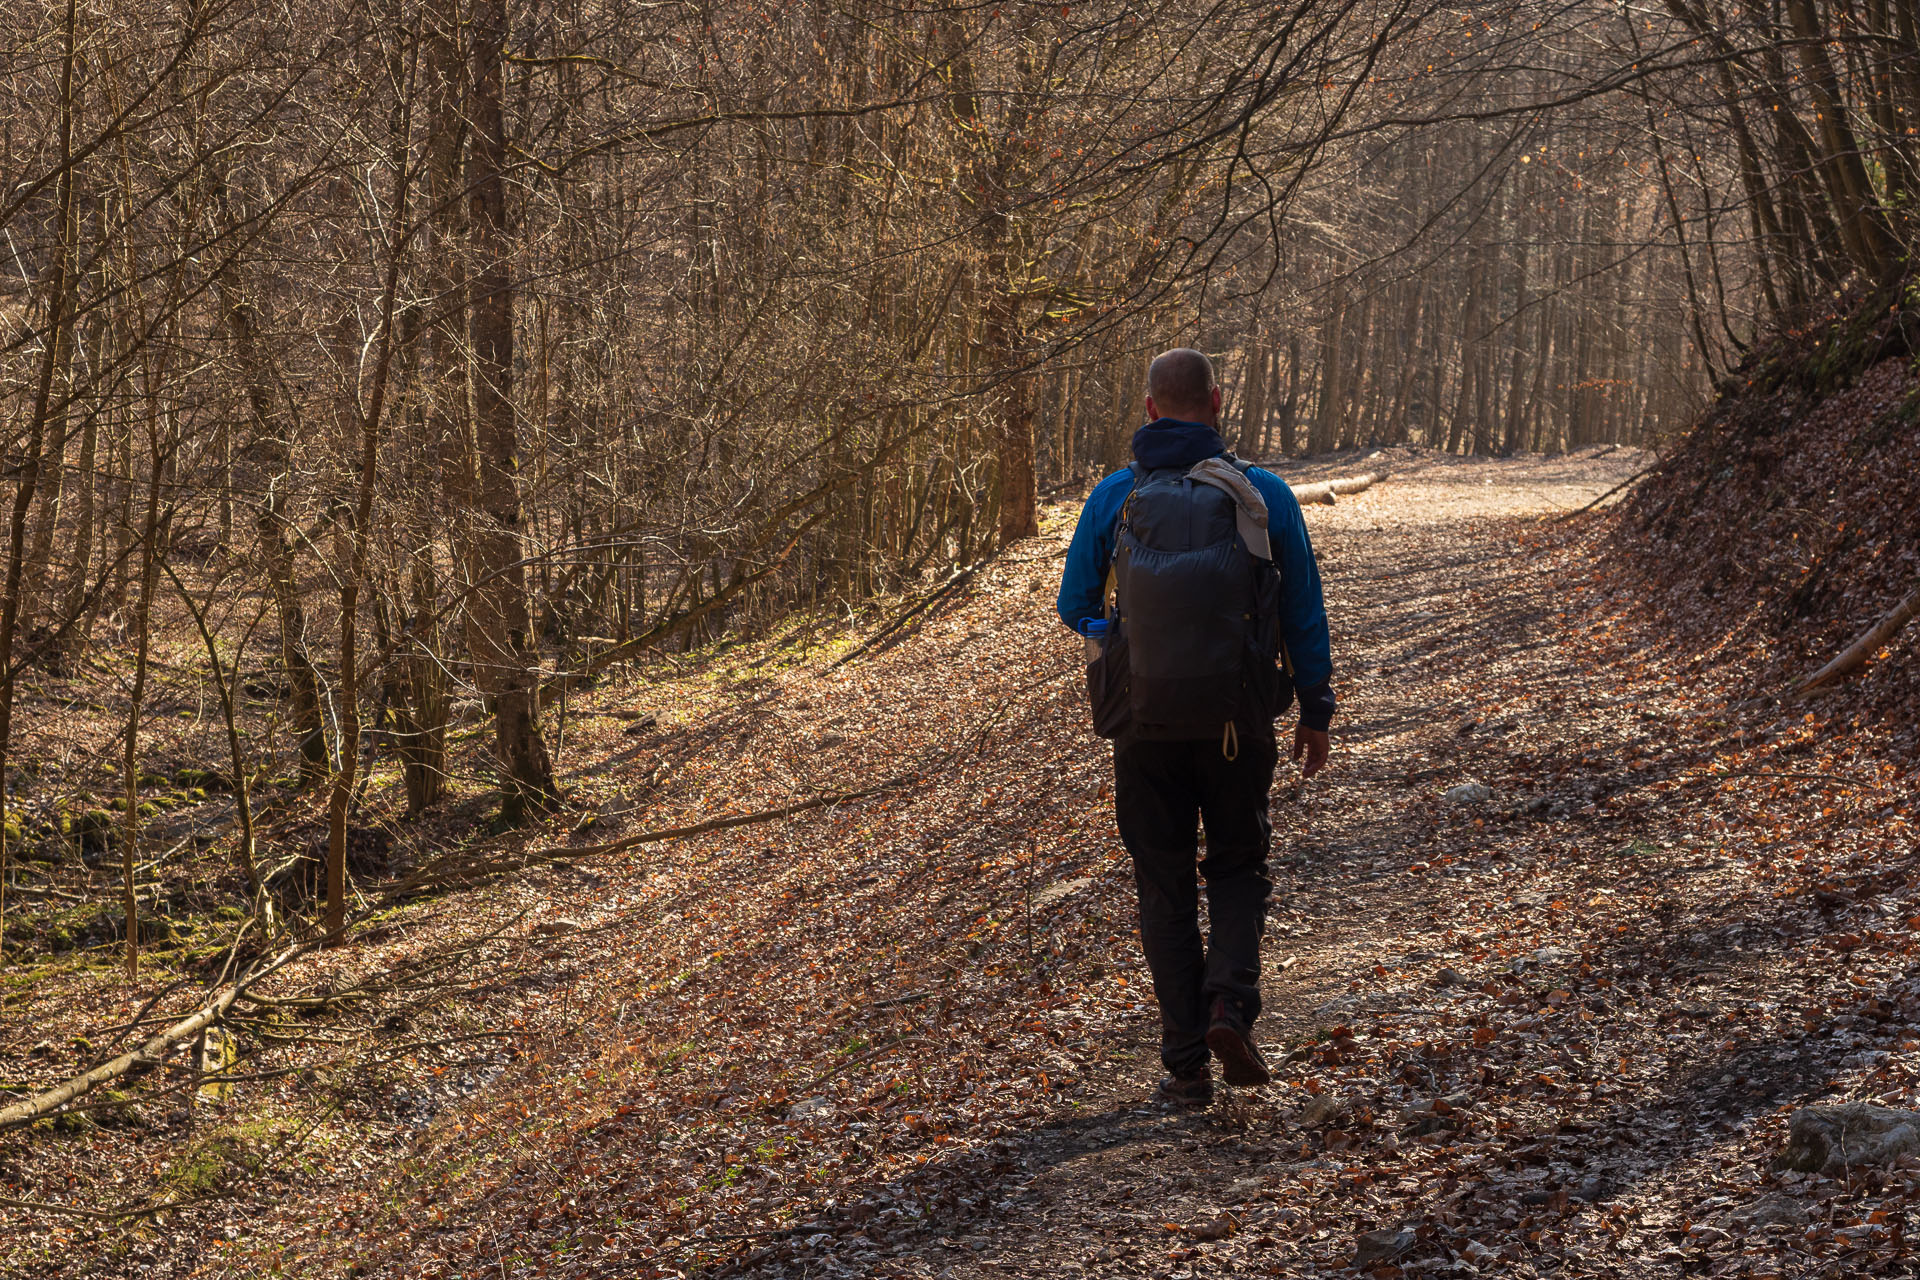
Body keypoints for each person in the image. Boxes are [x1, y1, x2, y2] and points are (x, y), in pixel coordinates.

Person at [1056, 348, 1334, 1107]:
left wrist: (1119, 638)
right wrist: (1316, 710)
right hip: (1240, 721)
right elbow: (1302, 609)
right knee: (1240, 865)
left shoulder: (1116, 495)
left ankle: (1185, 1067)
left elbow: (1074, 599)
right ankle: (1228, 1008)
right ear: (1217, 402)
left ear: (1149, 409)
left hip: (1144, 725)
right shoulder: (1263, 495)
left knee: (1165, 883)